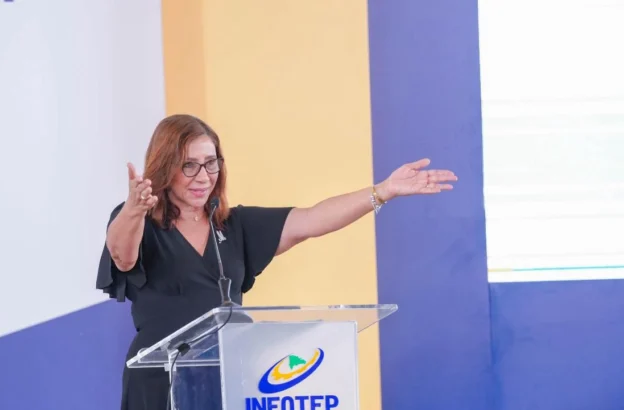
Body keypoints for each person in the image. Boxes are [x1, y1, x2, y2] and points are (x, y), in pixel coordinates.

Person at [95, 114, 457, 410]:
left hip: (227, 377)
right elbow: (122, 257)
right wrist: (134, 210)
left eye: (210, 163)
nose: (203, 177)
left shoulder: (234, 225)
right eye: (189, 166)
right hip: (160, 382)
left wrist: (383, 191)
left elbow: (312, 219)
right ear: (165, 167)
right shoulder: (139, 222)